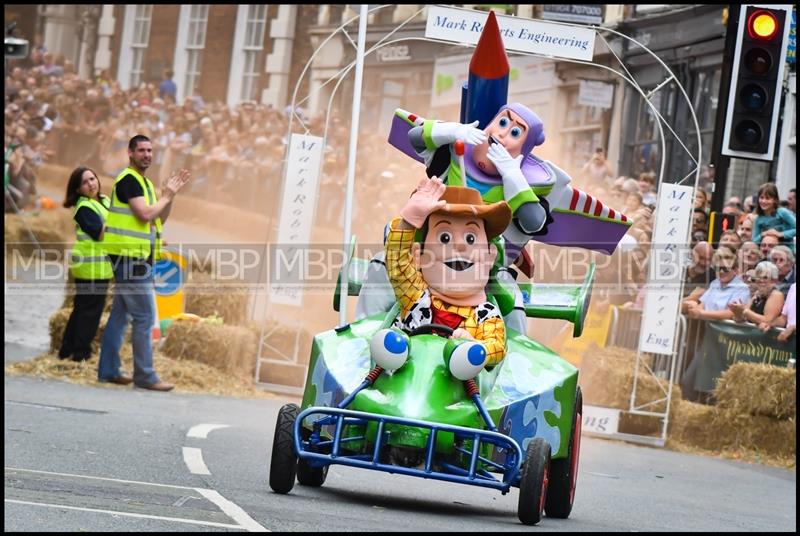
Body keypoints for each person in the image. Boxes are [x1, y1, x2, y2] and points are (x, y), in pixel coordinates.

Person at [386, 177, 511, 372]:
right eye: (445, 237)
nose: (460, 245)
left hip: (458, 393)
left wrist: (474, 348)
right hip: (406, 383)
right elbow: (397, 265)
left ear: (489, 257)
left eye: (471, 237)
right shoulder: (416, 296)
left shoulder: (485, 315)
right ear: (419, 256)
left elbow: (496, 347)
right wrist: (409, 221)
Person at [98, 135, 190, 391]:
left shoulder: (144, 183)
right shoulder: (129, 180)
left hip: (134, 257)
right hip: (130, 258)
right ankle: (145, 376)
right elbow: (145, 213)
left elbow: (158, 219)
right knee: (145, 316)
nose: (147, 155)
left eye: (150, 150)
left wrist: (168, 197)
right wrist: (165, 196)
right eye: (142, 150)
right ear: (130, 153)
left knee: (120, 316)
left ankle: (108, 370)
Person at [59, 166, 113, 362]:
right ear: (78, 190)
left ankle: (66, 350)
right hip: (91, 267)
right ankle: (81, 354)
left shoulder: (105, 201)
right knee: (90, 312)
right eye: (85, 182)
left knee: (81, 308)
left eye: (93, 178)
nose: (91, 184)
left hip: (99, 266)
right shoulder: (84, 208)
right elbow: (99, 234)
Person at [684, 246, 750, 322]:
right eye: (718, 269)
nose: (721, 272)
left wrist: (701, 313)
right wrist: (694, 309)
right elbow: (703, 304)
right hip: (709, 330)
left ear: (735, 270)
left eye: (726, 269)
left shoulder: (742, 288)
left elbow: (731, 313)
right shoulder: (715, 283)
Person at [728, 261, 784, 326]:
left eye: (765, 277)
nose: (761, 280)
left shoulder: (776, 295)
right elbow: (743, 318)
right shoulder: (757, 293)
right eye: (758, 277)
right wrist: (737, 312)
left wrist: (744, 311)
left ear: (773, 280)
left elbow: (767, 321)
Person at [752, 183, 796, 248]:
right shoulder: (758, 219)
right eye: (761, 197)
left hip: (787, 251)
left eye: (767, 198)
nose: (763, 201)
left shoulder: (782, 212)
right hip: (767, 252)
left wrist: (780, 234)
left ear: (775, 200)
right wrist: (763, 234)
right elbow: (754, 241)